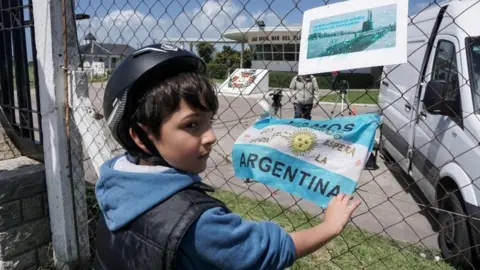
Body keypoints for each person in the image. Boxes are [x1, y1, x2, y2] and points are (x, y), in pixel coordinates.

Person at [93, 43, 361, 270]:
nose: (211, 136)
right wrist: (329, 227)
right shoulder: (198, 224)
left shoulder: (113, 180)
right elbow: (263, 251)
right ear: (141, 136)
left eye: (210, 122)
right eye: (191, 125)